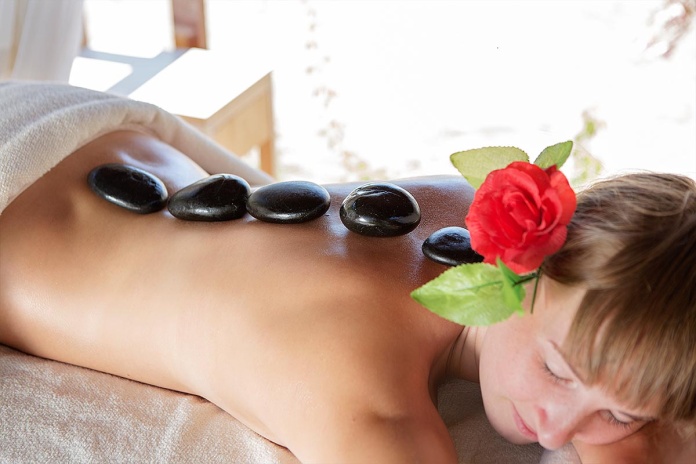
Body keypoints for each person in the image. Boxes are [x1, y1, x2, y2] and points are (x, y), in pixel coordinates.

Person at [0, 81, 694, 463]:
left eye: (620, 415)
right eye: (557, 371)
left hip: (78, 127)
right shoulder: (366, 389)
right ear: (526, 256)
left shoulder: (469, 206)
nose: (555, 428)